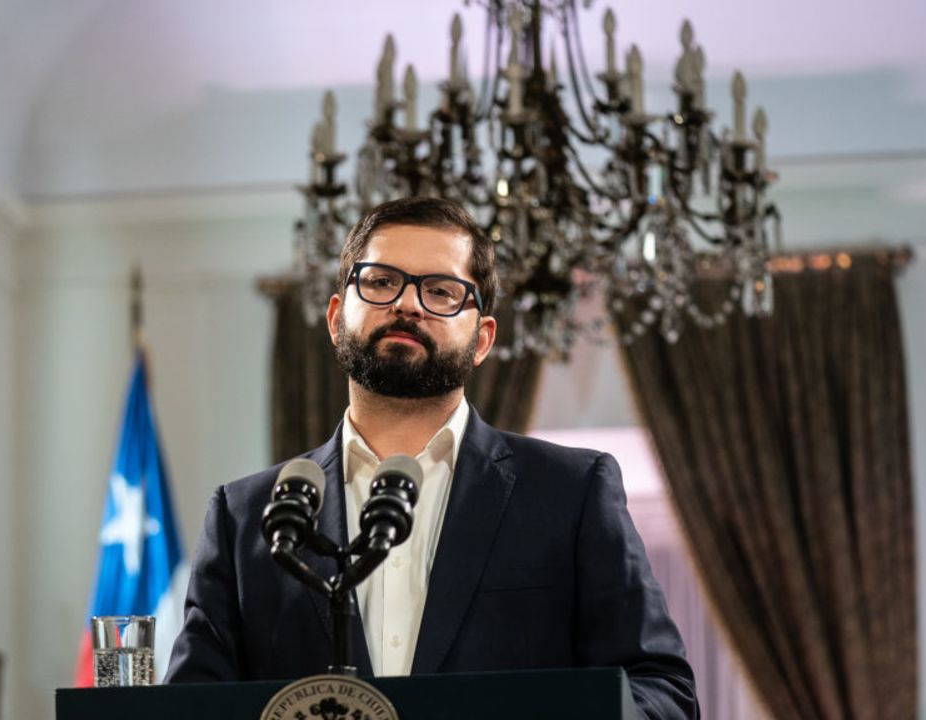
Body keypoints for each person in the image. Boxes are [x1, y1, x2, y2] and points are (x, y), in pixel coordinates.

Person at [166, 197, 698, 719]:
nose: (407, 303)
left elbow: (663, 694)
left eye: (442, 290)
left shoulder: (572, 492)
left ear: (483, 338)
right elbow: (190, 707)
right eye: (380, 282)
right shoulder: (243, 518)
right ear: (335, 318)